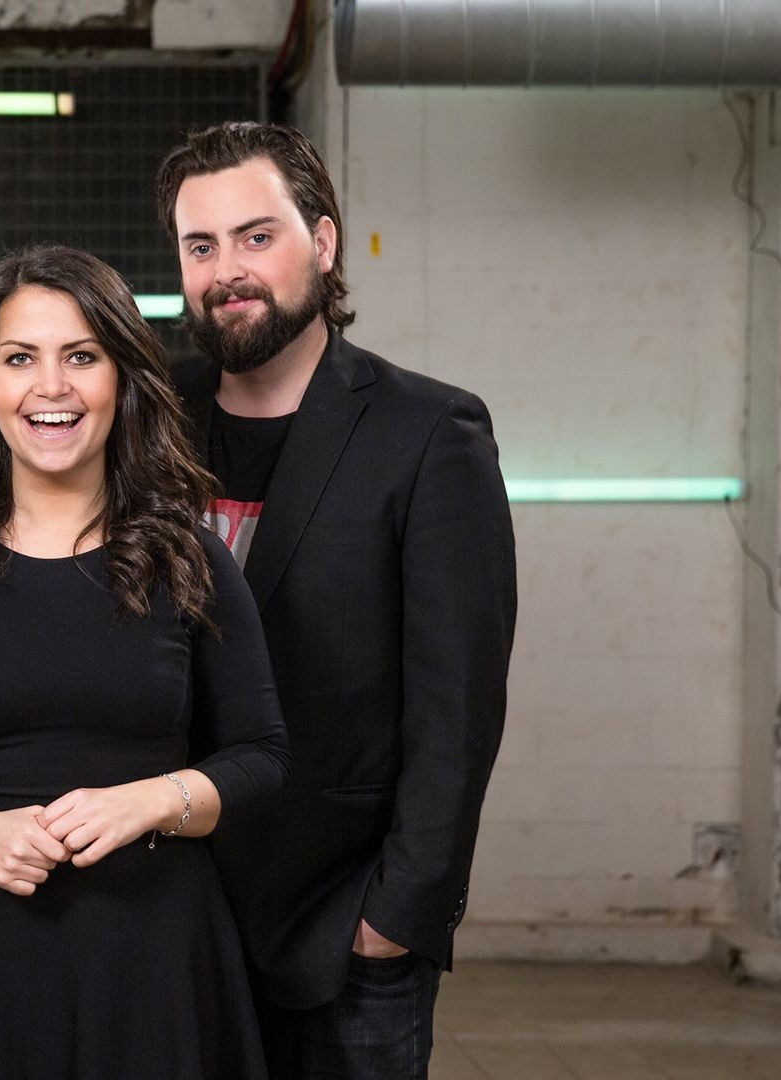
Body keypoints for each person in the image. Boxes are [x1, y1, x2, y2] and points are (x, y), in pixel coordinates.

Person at [0, 245, 289, 1080]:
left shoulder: (189, 559)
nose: (51, 386)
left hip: (151, 960)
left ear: (122, 379)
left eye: (81, 357)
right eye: (20, 359)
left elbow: (263, 757)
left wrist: (153, 801)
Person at [154, 121, 518, 1078]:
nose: (227, 270)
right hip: (167, 916)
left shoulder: (428, 433)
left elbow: (457, 705)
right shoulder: (148, 422)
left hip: (340, 924)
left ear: (322, 241)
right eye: (200, 246)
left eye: (256, 236)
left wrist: (398, 915)